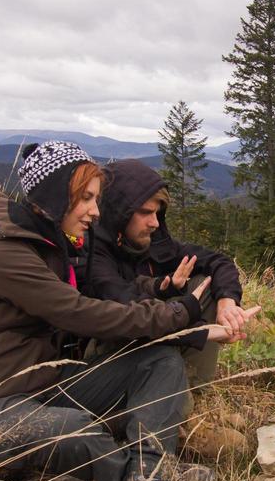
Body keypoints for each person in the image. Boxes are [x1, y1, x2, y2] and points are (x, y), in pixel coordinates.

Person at [0, 141, 253, 481]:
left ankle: (148, 480)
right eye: (85, 198)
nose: (95, 211)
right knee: (77, 432)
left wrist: (167, 296)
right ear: (57, 195)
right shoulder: (3, 254)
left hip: (48, 382)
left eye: (97, 199)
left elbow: (115, 291)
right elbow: (82, 313)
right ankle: (143, 478)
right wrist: (180, 314)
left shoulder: (53, 243)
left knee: (159, 361)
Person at [83, 159, 249, 384]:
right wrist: (203, 332)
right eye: (145, 212)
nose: (154, 223)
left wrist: (227, 302)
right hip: (112, 349)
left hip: (158, 331)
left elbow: (217, 261)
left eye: (157, 213)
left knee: (204, 282)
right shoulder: (93, 252)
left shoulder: (154, 243)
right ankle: (160, 386)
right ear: (120, 211)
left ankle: (192, 382)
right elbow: (126, 309)